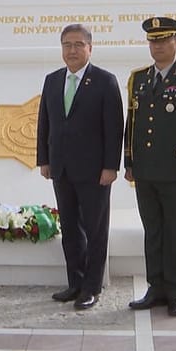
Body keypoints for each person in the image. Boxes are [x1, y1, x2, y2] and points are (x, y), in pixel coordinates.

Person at [124, 17, 176, 317]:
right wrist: (129, 162)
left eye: (163, 40)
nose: (158, 46)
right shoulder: (139, 79)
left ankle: (175, 291)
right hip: (146, 172)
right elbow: (133, 123)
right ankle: (155, 287)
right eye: (153, 41)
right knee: (153, 231)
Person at [36, 24, 124, 310]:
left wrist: (111, 166)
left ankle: (92, 287)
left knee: (96, 230)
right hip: (61, 169)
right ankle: (75, 282)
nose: (72, 50)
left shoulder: (105, 81)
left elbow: (114, 128)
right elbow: (44, 122)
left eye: (78, 44)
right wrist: (44, 159)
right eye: (67, 45)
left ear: (90, 48)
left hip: (95, 171)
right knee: (70, 228)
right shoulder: (52, 80)